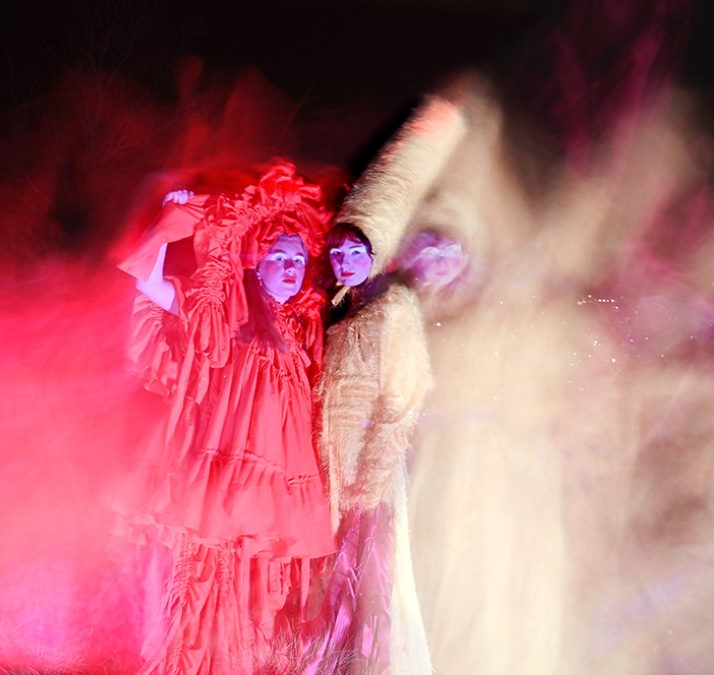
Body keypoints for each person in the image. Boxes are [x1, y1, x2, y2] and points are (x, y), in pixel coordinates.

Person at [117, 163, 337, 674]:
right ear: (255, 263)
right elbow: (154, 287)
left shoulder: (301, 329)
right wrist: (176, 218)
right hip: (226, 482)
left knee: (259, 586)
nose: (290, 267)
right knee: (212, 578)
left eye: (298, 259)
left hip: (275, 491)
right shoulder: (230, 311)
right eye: (277, 257)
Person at [305, 224, 467, 674]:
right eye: (337, 253)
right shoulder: (347, 308)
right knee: (336, 575)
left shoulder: (394, 308)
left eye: (356, 252)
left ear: (376, 254)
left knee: (368, 573)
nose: (344, 261)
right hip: (335, 464)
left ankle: (369, 664)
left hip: (366, 473)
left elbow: (403, 398)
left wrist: (371, 478)